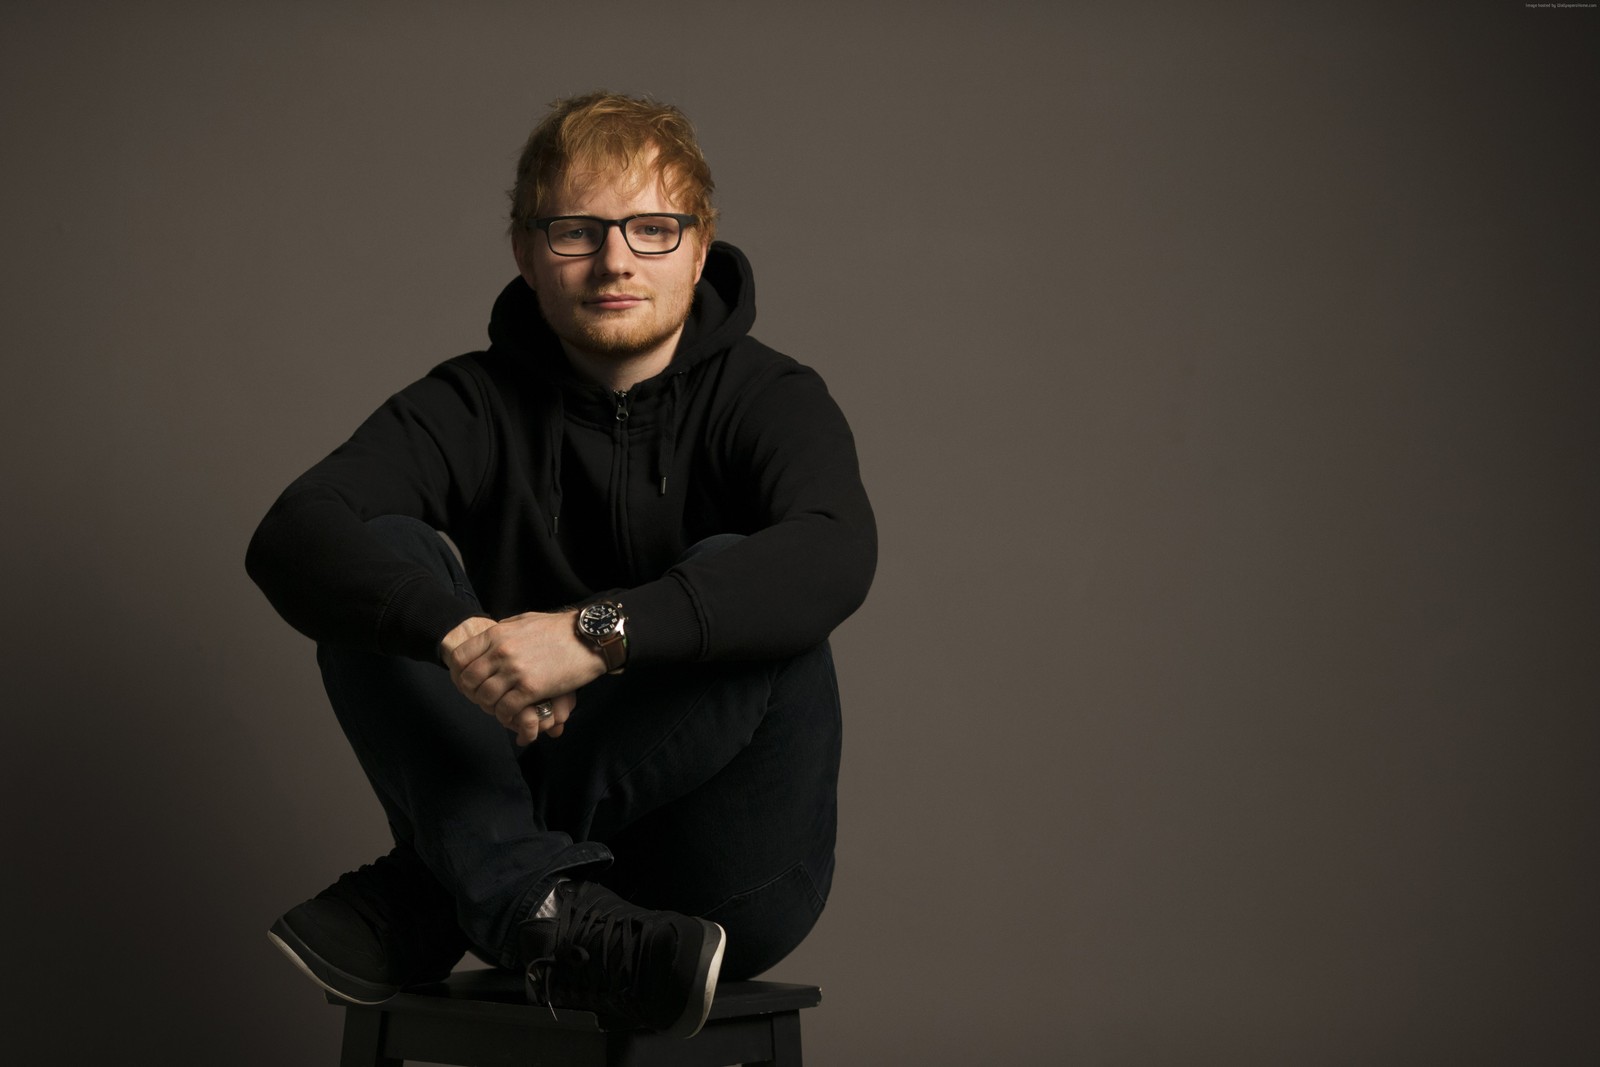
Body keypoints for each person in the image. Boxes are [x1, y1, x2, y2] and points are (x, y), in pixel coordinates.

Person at [245, 90, 875, 1038]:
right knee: (384, 566)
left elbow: (836, 547)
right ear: (527, 252)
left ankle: (446, 886)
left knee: (750, 570)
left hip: (728, 882)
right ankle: (539, 904)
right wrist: (460, 639)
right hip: (565, 893)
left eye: (652, 229)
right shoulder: (471, 402)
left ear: (700, 248)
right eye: (577, 231)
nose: (616, 259)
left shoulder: (771, 397)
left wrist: (594, 635)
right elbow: (295, 531)